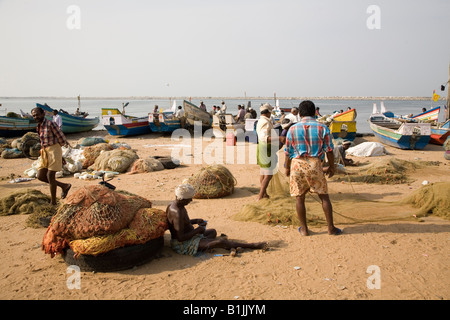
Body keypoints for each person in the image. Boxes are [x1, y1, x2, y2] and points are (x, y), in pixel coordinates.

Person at [284, 100, 342, 236]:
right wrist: (332, 167)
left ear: (300, 113)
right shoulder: (322, 128)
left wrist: (286, 168)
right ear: (314, 111)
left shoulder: (292, 129)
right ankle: (331, 228)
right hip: (315, 163)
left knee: (299, 197)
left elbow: (287, 151)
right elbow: (329, 150)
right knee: (324, 196)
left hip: (297, 164)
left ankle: (304, 229)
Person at [166, 184, 268, 256]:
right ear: (182, 199)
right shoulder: (177, 212)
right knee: (221, 242)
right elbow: (180, 238)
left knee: (213, 232)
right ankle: (253, 245)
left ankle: (210, 244)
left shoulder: (175, 205)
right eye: (189, 199)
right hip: (183, 244)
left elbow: (181, 224)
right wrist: (198, 230)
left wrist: (195, 221)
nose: (191, 200)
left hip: (190, 236)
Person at [31, 107, 72, 206]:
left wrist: (59, 153)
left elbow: (62, 138)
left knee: (50, 175)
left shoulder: (50, 124)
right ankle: (64, 186)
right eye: (34, 115)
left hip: (54, 149)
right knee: (40, 176)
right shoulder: (38, 126)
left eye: (37, 114)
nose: (36, 117)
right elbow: (42, 141)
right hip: (45, 151)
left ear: (43, 114)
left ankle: (53, 202)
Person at [256, 103, 279, 201]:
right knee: (268, 174)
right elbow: (264, 137)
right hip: (266, 148)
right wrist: (279, 138)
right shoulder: (265, 122)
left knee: (263, 172)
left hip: (261, 147)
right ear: (268, 112)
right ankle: (260, 196)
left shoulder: (260, 121)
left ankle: (264, 194)